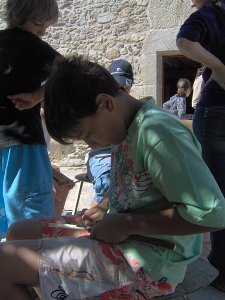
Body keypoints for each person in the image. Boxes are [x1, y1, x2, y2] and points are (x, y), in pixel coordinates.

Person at [1, 55, 225, 300]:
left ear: (105, 103)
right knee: (19, 231)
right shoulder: (125, 127)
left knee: (3, 264)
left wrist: (125, 223)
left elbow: (213, 215)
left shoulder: (158, 133)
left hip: (148, 264)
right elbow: (131, 179)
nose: (90, 144)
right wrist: (104, 205)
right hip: (124, 236)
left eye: (87, 134)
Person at [0, 0, 60, 238]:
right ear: (21, 16)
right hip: (23, 140)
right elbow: (69, 72)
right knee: (32, 216)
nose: (43, 32)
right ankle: (32, 270)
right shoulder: (33, 45)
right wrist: (38, 95)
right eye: (38, 24)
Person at [177, 0, 225, 292]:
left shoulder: (211, 13)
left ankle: (222, 269)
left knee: (217, 190)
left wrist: (219, 67)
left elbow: (183, 40)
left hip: (217, 110)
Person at [86, 59, 134, 206]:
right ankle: (94, 223)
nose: (118, 91)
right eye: (115, 86)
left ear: (130, 85)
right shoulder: (100, 106)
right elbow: (93, 142)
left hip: (126, 153)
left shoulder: (133, 107)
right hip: (103, 154)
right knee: (107, 182)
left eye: (123, 87)